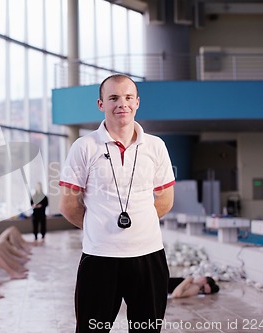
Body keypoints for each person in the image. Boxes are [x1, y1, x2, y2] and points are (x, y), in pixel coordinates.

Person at [58, 74, 175, 333]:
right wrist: (98, 227)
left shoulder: (156, 146)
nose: (121, 103)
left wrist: (137, 228)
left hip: (148, 256)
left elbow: (165, 199)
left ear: (137, 102)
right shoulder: (84, 146)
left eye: (128, 97)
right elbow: (68, 205)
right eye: (113, 98)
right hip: (100, 257)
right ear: (101, 104)